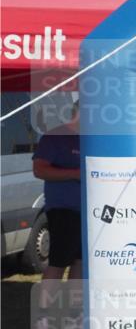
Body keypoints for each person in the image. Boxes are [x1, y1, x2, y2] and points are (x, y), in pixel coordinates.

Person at [32, 103, 82, 284]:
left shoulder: (93, 138)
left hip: (89, 211)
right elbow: (39, 170)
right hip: (63, 211)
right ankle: (45, 310)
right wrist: (74, 174)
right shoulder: (56, 136)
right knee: (58, 262)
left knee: (81, 261)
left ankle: (75, 310)